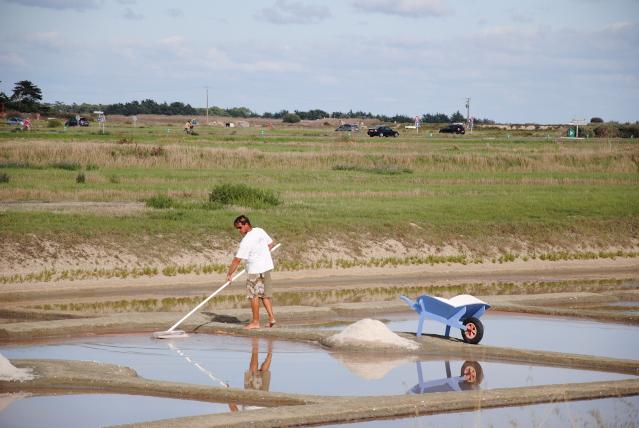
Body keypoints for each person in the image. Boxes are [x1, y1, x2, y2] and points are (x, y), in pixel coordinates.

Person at [226, 215, 277, 329]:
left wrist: (229, 274)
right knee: (264, 295)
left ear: (246, 224)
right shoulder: (260, 230)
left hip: (255, 270)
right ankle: (271, 318)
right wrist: (261, 253)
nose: (239, 231)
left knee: (254, 296)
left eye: (239, 227)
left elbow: (237, 260)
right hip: (266, 267)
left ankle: (255, 322)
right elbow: (271, 244)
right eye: (237, 228)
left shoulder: (246, 241)